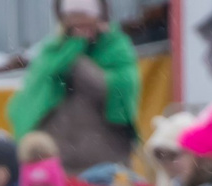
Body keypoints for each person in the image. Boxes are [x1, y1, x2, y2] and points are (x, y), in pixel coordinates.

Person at [8, 0, 141, 173]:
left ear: (99, 17)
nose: (79, 25)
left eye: (84, 17)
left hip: (106, 164)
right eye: (72, 18)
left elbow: (115, 92)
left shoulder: (115, 48)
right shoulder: (53, 51)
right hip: (60, 166)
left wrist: (77, 60)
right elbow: (32, 100)